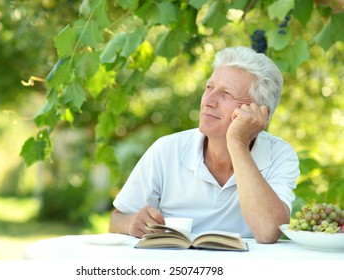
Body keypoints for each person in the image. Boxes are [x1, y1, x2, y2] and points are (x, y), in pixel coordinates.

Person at [108, 46, 300, 243]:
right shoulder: (166, 149)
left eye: (226, 94)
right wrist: (131, 223)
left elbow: (268, 232)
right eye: (209, 88)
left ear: (259, 113)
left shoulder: (279, 154)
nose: (208, 101)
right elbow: (116, 220)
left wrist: (237, 143)